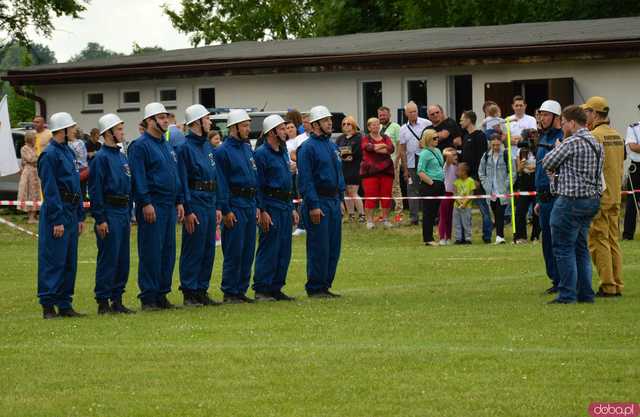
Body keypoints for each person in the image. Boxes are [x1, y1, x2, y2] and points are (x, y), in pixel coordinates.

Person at [543, 105, 604, 304]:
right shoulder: (596, 142)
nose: (562, 126)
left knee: (562, 247)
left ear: (571, 122)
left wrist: (558, 147)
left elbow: (547, 162)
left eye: (563, 122)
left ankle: (567, 294)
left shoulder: (571, 142)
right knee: (581, 248)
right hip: (591, 200)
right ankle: (586, 293)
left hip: (570, 201)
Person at [129, 102, 184, 311]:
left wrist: (179, 200)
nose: (166, 121)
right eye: (161, 118)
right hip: (154, 204)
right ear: (149, 121)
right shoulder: (140, 146)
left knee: (168, 251)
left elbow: (174, 174)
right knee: (151, 250)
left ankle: (162, 293)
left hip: (169, 204)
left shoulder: (166, 144)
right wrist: (145, 202)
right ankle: (149, 296)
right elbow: (139, 177)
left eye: (166, 117)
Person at [37, 112, 86, 319]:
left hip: (71, 210)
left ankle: (65, 303)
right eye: (71, 127)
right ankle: (48, 304)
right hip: (57, 210)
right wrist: (57, 219)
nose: (74, 130)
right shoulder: (50, 155)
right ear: (63, 130)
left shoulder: (68, 152)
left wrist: (81, 215)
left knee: (69, 259)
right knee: (53, 258)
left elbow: (76, 183)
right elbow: (50, 189)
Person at [176, 104, 224, 307]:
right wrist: (188, 210)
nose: (210, 122)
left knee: (208, 248)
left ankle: (202, 289)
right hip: (195, 200)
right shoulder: (184, 148)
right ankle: (189, 291)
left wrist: (218, 205)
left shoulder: (207, 146)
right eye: (206, 119)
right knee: (193, 248)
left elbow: (216, 177)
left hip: (209, 201)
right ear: (196, 122)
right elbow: (183, 180)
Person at [88, 113, 135, 315]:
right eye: (119, 130)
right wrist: (100, 218)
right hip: (109, 210)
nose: (122, 133)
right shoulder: (101, 158)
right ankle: (103, 301)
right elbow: (96, 190)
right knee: (109, 256)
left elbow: (128, 184)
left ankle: (117, 298)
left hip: (123, 211)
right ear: (108, 133)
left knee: (122, 258)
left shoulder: (121, 156)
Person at [297, 105, 345, 298]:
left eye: (330, 120)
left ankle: (325, 284)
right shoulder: (307, 148)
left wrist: (340, 199)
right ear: (315, 124)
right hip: (319, 200)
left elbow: (338, 173)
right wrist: (314, 205)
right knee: (319, 246)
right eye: (325, 121)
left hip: (333, 200)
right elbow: (306, 180)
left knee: (334, 246)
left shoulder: (332, 145)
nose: (329, 124)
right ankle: (315, 286)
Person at [253, 115, 299, 301]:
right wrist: (262, 210)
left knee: (284, 248)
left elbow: (288, 182)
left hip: (284, 204)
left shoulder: (283, 151)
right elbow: (259, 185)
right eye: (281, 129)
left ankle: (276, 286)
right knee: (269, 246)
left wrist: (292, 207)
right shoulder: (261, 154)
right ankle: (262, 288)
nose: (285, 132)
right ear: (272, 132)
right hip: (271, 205)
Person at [215, 109, 259, 303]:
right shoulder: (223, 151)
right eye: (244, 126)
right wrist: (226, 209)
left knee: (248, 249)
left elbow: (254, 177)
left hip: (249, 203)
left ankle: (241, 289)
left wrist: (256, 204)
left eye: (248, 125)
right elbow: (221, 182)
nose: (248, 129)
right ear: (233, 127)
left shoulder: (247, 148)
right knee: (234, 249)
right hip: (235, 203)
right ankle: (230, 290)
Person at [583, 97, 625, 297]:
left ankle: (607, 285)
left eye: (587, 113)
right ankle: (617, 282)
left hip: (600, 196)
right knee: (613, 240)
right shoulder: (617, 135)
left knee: (599, 241)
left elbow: (592, 169)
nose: (585, 117)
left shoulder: (593, 136)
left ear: (595, 113)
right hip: (616, 195)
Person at [534, 100, 563, 294]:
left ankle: (563, 280)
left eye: (545, 115)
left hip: (557, 196)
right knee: (547, 241)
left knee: (558, 240)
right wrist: (537, 199)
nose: (542, 118)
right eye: (540, 114)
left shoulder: (561, 138)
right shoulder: (543, 138)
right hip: (543, 197)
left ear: (556, 117)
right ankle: (555, 279)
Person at [460, 110, 492, 243]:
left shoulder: (480, 136)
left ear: (469, 120)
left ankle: (487, 236)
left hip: (476, 178)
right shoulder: (465, 137)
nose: (460, 122)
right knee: (462, 207)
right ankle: (463, 237)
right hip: (465, 179)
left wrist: (478, 178)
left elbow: (482, 158)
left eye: (462, 119)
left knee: (483, 208)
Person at [399, 101, 432, 225]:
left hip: (427, 162)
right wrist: (405, 169)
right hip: (412, 163)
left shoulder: (426, 123)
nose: (413, 114)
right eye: (410, 112)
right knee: (412, 189)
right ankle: (414, 217)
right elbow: (402, 150)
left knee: (427, 188)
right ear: (406, 113)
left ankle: (428, 216)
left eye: (415, 111)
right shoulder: (403, 129)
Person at [360, 117, 395, 229]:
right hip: (370, 172)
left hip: (386, 171)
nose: (376, 126)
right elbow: (368, 148)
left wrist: (378, 147)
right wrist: (382, 146)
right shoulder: (365, 138)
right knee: (370, 196)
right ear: (369, 127)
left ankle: (385, 219)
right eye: (373, 125)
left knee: (386, 196)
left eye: (377, 124)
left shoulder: (386, 137)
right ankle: (369, 221)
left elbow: (391, 149)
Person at [479, 133, 512, 244]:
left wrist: (506, 185)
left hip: (502, 190)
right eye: (493, 145)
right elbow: (481, 172)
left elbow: (512, 172)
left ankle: (500, 236)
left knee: (500, 213)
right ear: (490, 144)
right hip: (490, 190)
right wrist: (485, 184)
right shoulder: (486, 156)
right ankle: (499, 235)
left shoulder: (506, 154)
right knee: (495, 212)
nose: (496, 147)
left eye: (497, 145)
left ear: (501, 144)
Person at [417, 129, 445, 246]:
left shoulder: (438, 151)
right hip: (430, 185)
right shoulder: (424, 153)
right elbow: (420, 171)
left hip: (440, 183)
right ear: (428, 139)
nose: (437, 140)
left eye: (437, 137)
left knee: (434, 213)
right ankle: (428, 238)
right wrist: (432, 183)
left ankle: (434, 236)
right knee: (428, 213)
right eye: (434, 138)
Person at [335, 116, 365, 223]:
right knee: (346, 193)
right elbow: (337, 152)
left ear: (353, 125)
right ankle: (351, 215)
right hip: (343, 168)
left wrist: (345, 154)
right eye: (344, 124)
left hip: (354, 168)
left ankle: (362, 214)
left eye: (348, 124)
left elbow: (353, 155)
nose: (346, 126)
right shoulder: (340, 138)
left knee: (353, 192)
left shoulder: (358, 137)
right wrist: (345, 154)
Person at [378, 106, 403, 222]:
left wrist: (397, 161)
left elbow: (399, 145)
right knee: (381, 189)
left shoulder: (395, 127)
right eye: (380, 115)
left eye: (384, 115)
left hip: (392, 162)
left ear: (389, 115)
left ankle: (399, 213)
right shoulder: (378, 128)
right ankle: (383, 213)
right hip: (380, 164)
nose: (382, 117)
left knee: (395, 188)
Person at [514, 129, 539, 243]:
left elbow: (539, 166)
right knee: (520, 210)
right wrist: (522, 165)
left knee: (536, 211)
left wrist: (530, 168)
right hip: (524, 183)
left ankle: (535, 236)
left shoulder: (538, 150)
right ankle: (520, 236)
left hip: (535, 182)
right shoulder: (520, 152)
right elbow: (518, 169)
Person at [291, 113, 311, 237]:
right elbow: (293, 154)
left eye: (307, 122)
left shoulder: (318, 138)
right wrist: (301, 161)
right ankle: (301, 226)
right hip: (301, 174)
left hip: (314, 175)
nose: (305, 124)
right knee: (301, 200)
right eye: (303, 122)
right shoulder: (299, 138)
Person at [623, 108, 640, 240]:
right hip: (637, 168)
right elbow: (633, 146)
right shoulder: (634, 128)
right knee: (632, 202)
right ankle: (628, 234)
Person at [17, 131, 41, 223]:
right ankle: (30, 217)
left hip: (35, 172)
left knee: (35, 193)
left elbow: (36, 159)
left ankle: (34, 216)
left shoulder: (34, 148)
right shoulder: (24, 148)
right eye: (34, 138)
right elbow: (30, 159)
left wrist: (37, 158)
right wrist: (37, 158)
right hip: (28, 173)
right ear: (31, 139)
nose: (36, 140)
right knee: (29, 193)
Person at [453, 162, 475, 244]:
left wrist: (465, 203)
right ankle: (458, 238)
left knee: (466, 223)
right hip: (457, 206)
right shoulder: (456, 182)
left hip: (467, 207)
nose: (456, 172)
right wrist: (459, 202)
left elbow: (471, 194)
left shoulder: (471, 181)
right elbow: (455, 193)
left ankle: (468, 238)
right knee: (457, 223)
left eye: (458, 170)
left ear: (464, 172)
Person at [438, 148, 457, 245]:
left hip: (453, 194)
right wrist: (448, 153)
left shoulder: (456, 167)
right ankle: (442, 237)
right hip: (445, 193)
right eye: (453, 155)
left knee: (450, 217)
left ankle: (448, 237)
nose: (455, 157)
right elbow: (447, 157)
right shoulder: (447, 165)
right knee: (443, 216)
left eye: (455, 155)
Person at [67, 129, 89, 197]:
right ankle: (84, 205)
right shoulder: (80, 143)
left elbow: (80, 159)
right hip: (81, 170)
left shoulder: (78, 143)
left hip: (79, 171)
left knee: (80, 193)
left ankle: (83, 206)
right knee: (82, 192)